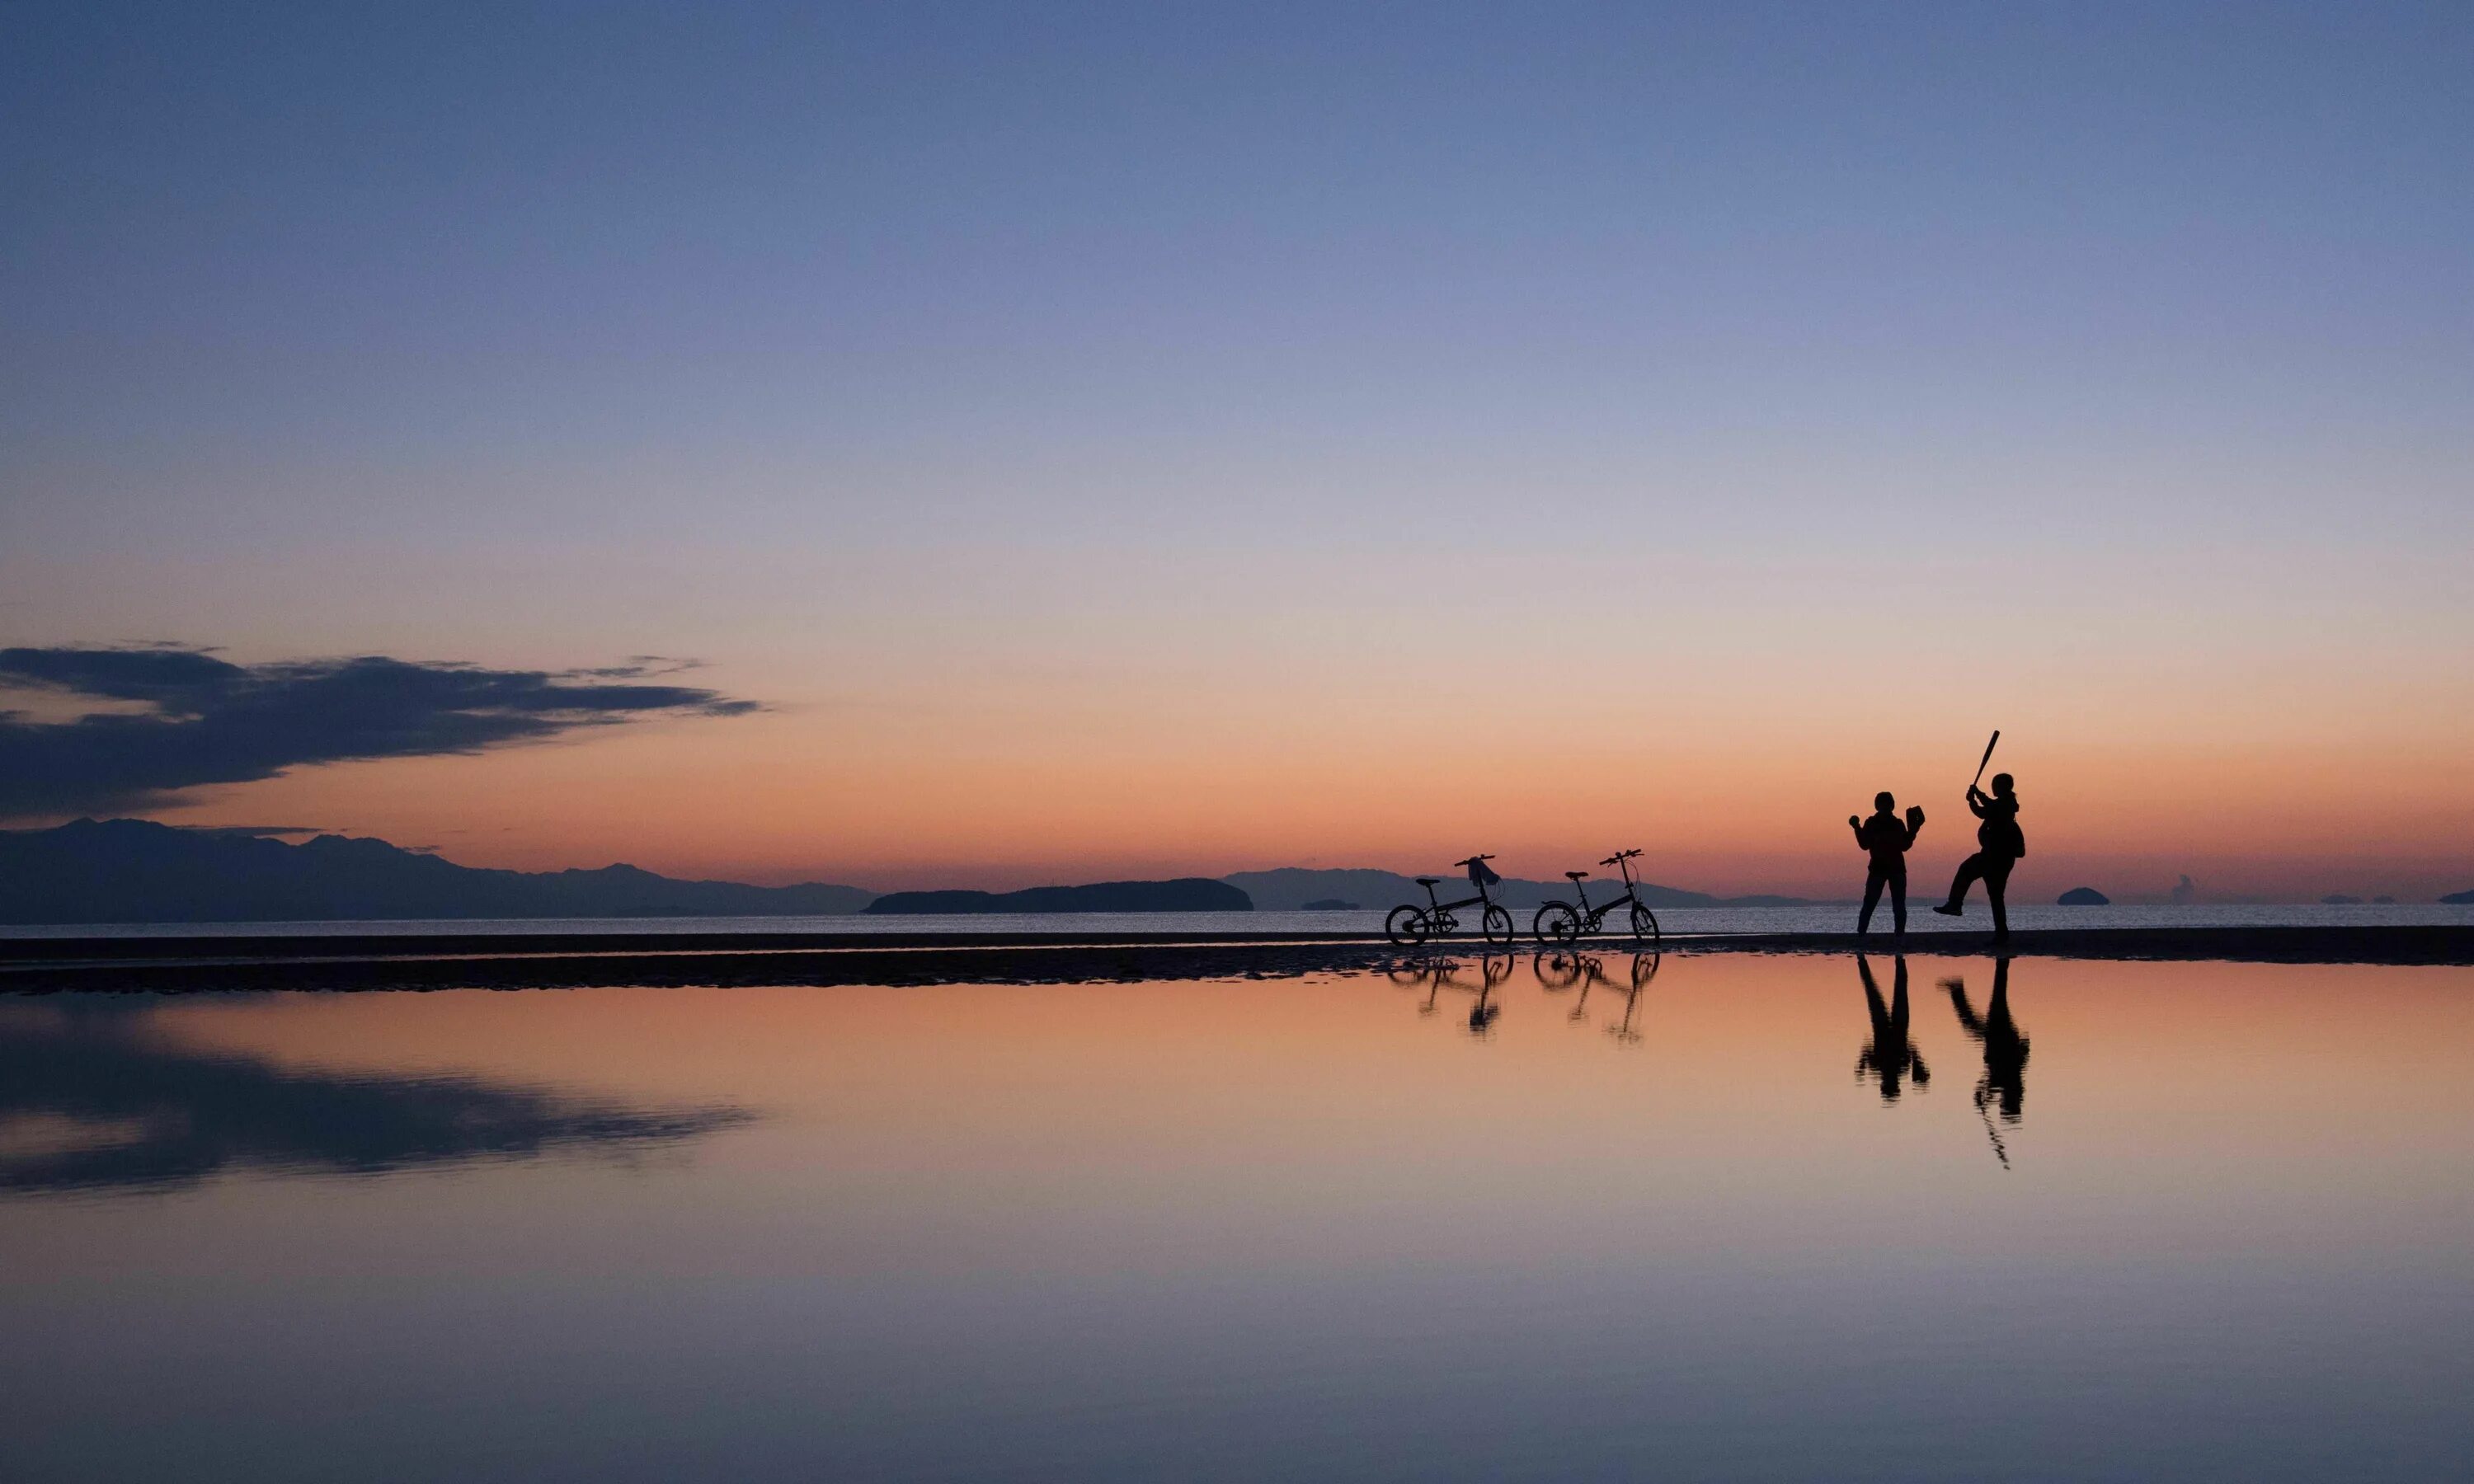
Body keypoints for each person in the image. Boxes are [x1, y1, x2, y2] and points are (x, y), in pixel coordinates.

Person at [1934, 772, 2025, 940]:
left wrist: (1977, 794)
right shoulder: (2004, 804)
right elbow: (1984, 811)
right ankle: (2001, 934)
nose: (1993, 788)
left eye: (1995, 785)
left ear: (2003, 787)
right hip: (2000, 858)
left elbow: (1988, 809)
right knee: (1996, 895)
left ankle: (1955, 904)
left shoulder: (2006, 804)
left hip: (1995, 857)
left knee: (1966, 870)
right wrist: (1972, 801)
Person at [1849, 792, 1925, 938]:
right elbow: (1865, 844)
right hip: (1884, 869)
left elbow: (1904, 845)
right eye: (1883, 804)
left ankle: (1892, 935)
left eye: (1886, 804)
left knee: (1891, 905)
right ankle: (1865, 934)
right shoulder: (1880, 823)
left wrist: (1913, 831)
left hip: (1890, 869)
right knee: (1876, 903)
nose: (1885, 807)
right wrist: (1857, 828)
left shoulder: (1893, 823)